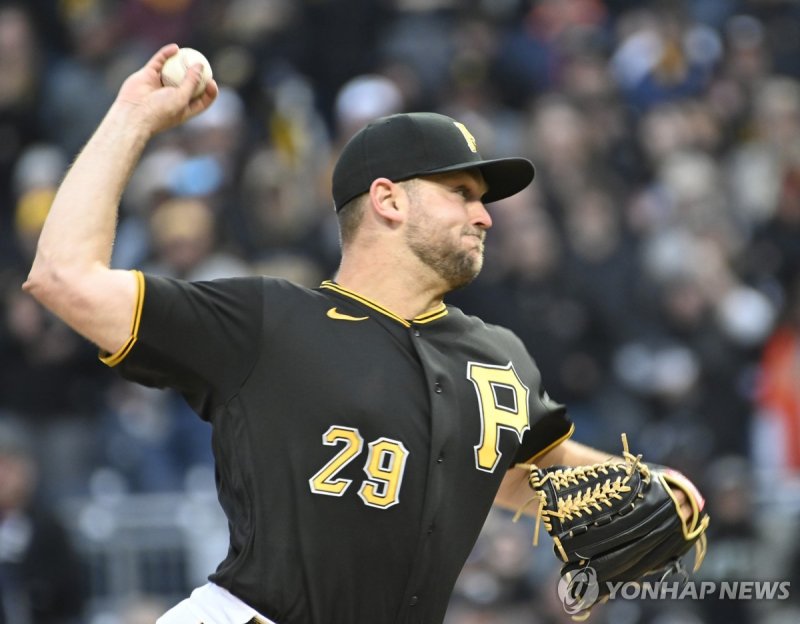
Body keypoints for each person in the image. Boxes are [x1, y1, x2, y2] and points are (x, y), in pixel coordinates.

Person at [23, 44, 698, 624]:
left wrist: (641, 482)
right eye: (461, 193)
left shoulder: (498, 357)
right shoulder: (268, 322)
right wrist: (134, 115)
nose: (485, 216)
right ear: (389, 199)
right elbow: (64, 276)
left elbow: (522, 472)